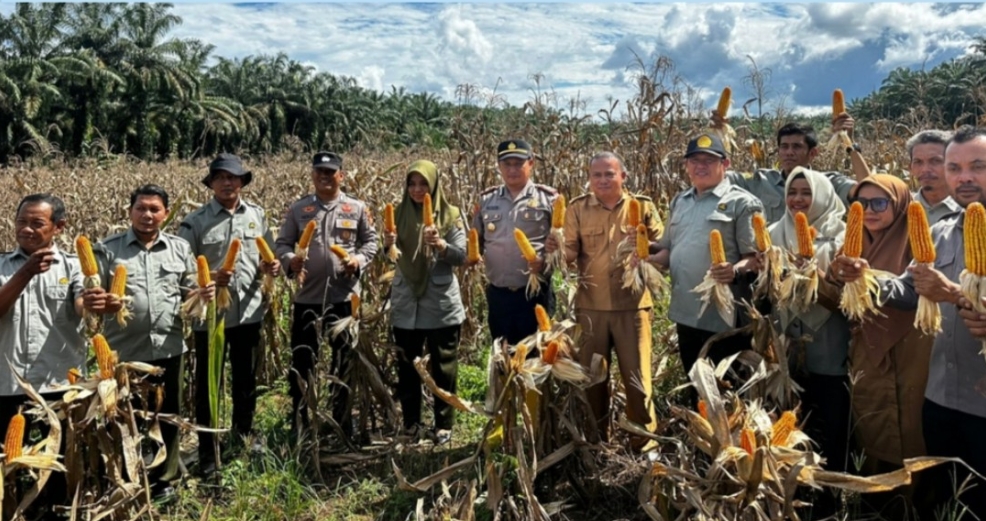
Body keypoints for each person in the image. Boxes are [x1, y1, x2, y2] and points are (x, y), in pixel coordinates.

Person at [832, 126, 986, 520]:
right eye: (955, 168)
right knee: (947, 500)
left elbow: (946, 293)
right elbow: (909, 291)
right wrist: (864, 278)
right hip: (941, 398)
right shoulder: (940, 232)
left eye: (978, 167)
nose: (964, 178)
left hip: (981, 402)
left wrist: (954, 294)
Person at [83, 184, 210, 500]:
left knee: (167, 414)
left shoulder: (179, 248)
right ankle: (125, 476)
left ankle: (165, 478)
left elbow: (189, 293)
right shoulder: (108, 250)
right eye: (141, 208)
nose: (147, 215)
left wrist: (202, 294)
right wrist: (104, 303)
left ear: (166, 213)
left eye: (155, 209)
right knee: (125, 416)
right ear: (130, 211)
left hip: (170, 346)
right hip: (123, 352)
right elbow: (90, 298)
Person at [544, 152, 662, 444]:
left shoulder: (642, 206)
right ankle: (596, 442)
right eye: (596, 175)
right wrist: (556, 250)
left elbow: (662, 249)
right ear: (589, 178)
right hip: (591, 308)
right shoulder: (578, 208)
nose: (603, 180)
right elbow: (570, 253)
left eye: (609, 174)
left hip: (633, 308)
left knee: (638, 381)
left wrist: (645, 244)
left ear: (623, 176)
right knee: (592, 380)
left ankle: (643, 442)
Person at [834, 175, 932, 518]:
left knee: (911, 427)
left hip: (911, 349)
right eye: (860, 204)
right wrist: (821, 278)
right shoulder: (850, 244)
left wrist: (867, 279)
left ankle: (915, 505)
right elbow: (839, 303)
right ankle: (876, 503)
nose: (869, 211)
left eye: (879, 203)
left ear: (900, 204)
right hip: (867, 350)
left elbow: (915, 293)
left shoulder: (918, 239)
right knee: (872, 423)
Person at [178, 153, 280, 474]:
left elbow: (268, 257)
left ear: (241, 182)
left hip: (248, 312)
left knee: (246, 379)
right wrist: (208, 278)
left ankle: (243, 435)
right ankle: (209, 449)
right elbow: (181, 270)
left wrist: (271, 267)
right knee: (208, 384)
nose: (227, 183)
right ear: (210, 183)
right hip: (210, 318)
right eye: (220, 177)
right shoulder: (195, 222)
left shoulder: (257, 216)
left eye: (232, 177)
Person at [275, 151, 378, 438]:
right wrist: (290, 261)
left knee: (344, 362)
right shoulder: (299, 209)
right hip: (307, 298)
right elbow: (282, 244)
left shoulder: (356, 208)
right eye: (319, 172)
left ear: (341, 176)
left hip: (344, 298)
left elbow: (371, 242)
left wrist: (357, 260)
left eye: (330, 172)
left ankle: (341, 419)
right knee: (302, 361)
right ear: (312, 175)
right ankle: (300, 419)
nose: (325, 176)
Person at [768, 169, 850, 518]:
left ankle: (830, 495)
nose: (798, 199)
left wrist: (814, 274)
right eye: (793, 192)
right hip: (787, 344)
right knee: (794, 420)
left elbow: (850, 296)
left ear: (823, 195)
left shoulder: (841, 234)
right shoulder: (774, 232)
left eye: (806, 192)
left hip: (829, 342)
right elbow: (767, 290)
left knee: (831, 421)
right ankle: (795, 491)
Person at [652, 133, 763, 378]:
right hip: (686, 312)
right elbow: (668, 251)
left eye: (709, 160)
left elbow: (756, 259)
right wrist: (646, 257)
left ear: (726, 164)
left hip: (724, 317)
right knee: (694, 383)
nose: (700, 166)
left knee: (726, 386)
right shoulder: (680, 201)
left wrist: (734, 270)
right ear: (686, 165)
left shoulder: (742, 203)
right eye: (694, 160)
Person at [384, 160, 466, 444]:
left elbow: (462, 255)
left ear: (434, 185)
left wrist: (441, 246)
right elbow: (390, 256)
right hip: (406, 302)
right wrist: (388, 243)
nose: (417, 189)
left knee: (444, 365)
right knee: (407, 365)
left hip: (439, 303)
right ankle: (412, 423)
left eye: (423, 184)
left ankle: (444, 424)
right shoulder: (397, 214)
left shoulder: (451, 215)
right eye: (412, 183)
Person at [0, 193, 85, 428]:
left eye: (37, 223)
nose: (26, 229)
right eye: (21, 222)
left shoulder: (75, 266)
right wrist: (26, 272)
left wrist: (97, 303)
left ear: (59, 227)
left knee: (62, 449)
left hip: (59, 382)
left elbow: (82, 306)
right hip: (7, 384)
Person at [470, 139, 558, 345]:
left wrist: (544, 262)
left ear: (531, 163)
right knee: (503, 354)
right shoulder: (486, 200)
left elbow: (563, 247)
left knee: (538, 354)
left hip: (536, 293)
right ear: (499, 166)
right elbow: (476, 241)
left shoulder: (549, 199)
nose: (512, 170)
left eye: (518, 163)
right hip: (499, 296)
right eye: (507, 164)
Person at [723, 117, 868, 223]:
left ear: (812, 153)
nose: (789, 152)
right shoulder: (760, 180)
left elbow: (869, 190)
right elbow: (716, 178)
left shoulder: (830, 183)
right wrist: (717, 132)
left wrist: (849, 143)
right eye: (784, 147)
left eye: (796, 147)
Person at [908, 130, 961, 225]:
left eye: (935, 161)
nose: (925, 169)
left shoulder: (969, 210)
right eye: (918, 162)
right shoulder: (900, 210)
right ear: (910, 168)